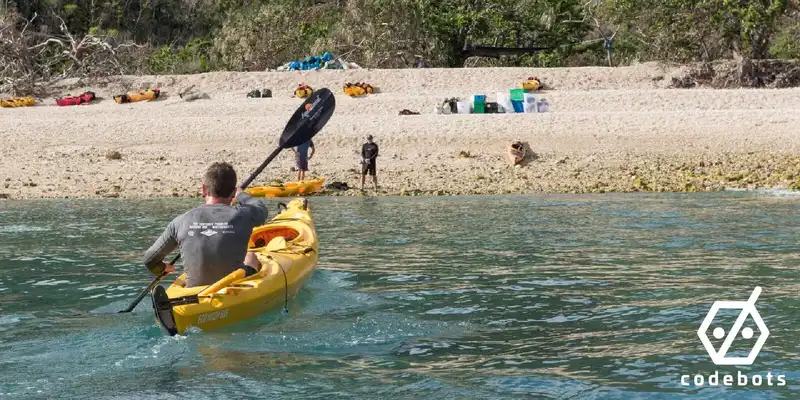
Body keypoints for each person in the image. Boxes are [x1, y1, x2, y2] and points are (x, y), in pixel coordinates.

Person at [142, 162, 268, 288]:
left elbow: (149, 259)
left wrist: (162, 268)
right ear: (233, 192)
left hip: (194, 293)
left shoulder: (180, 221)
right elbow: (261, 209)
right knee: (251, 256)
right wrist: (241, 195)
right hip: (232, 288)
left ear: (203, 189)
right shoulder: (245, 215)